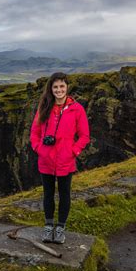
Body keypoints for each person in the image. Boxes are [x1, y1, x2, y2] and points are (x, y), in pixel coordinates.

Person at [30, 72, 90, 244]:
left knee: (64, 194)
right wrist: (39, 148)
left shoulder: (77, 109)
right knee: (48, 194)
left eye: (62, 86)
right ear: (51, 88)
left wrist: (73, 151)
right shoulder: (44, 107)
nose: (59, 90)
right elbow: (34, 133)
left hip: (66, 160)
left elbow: (84, 135)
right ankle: (48, 227)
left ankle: (60, 228)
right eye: (55, 87)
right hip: (46, 159)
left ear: (67, 87)